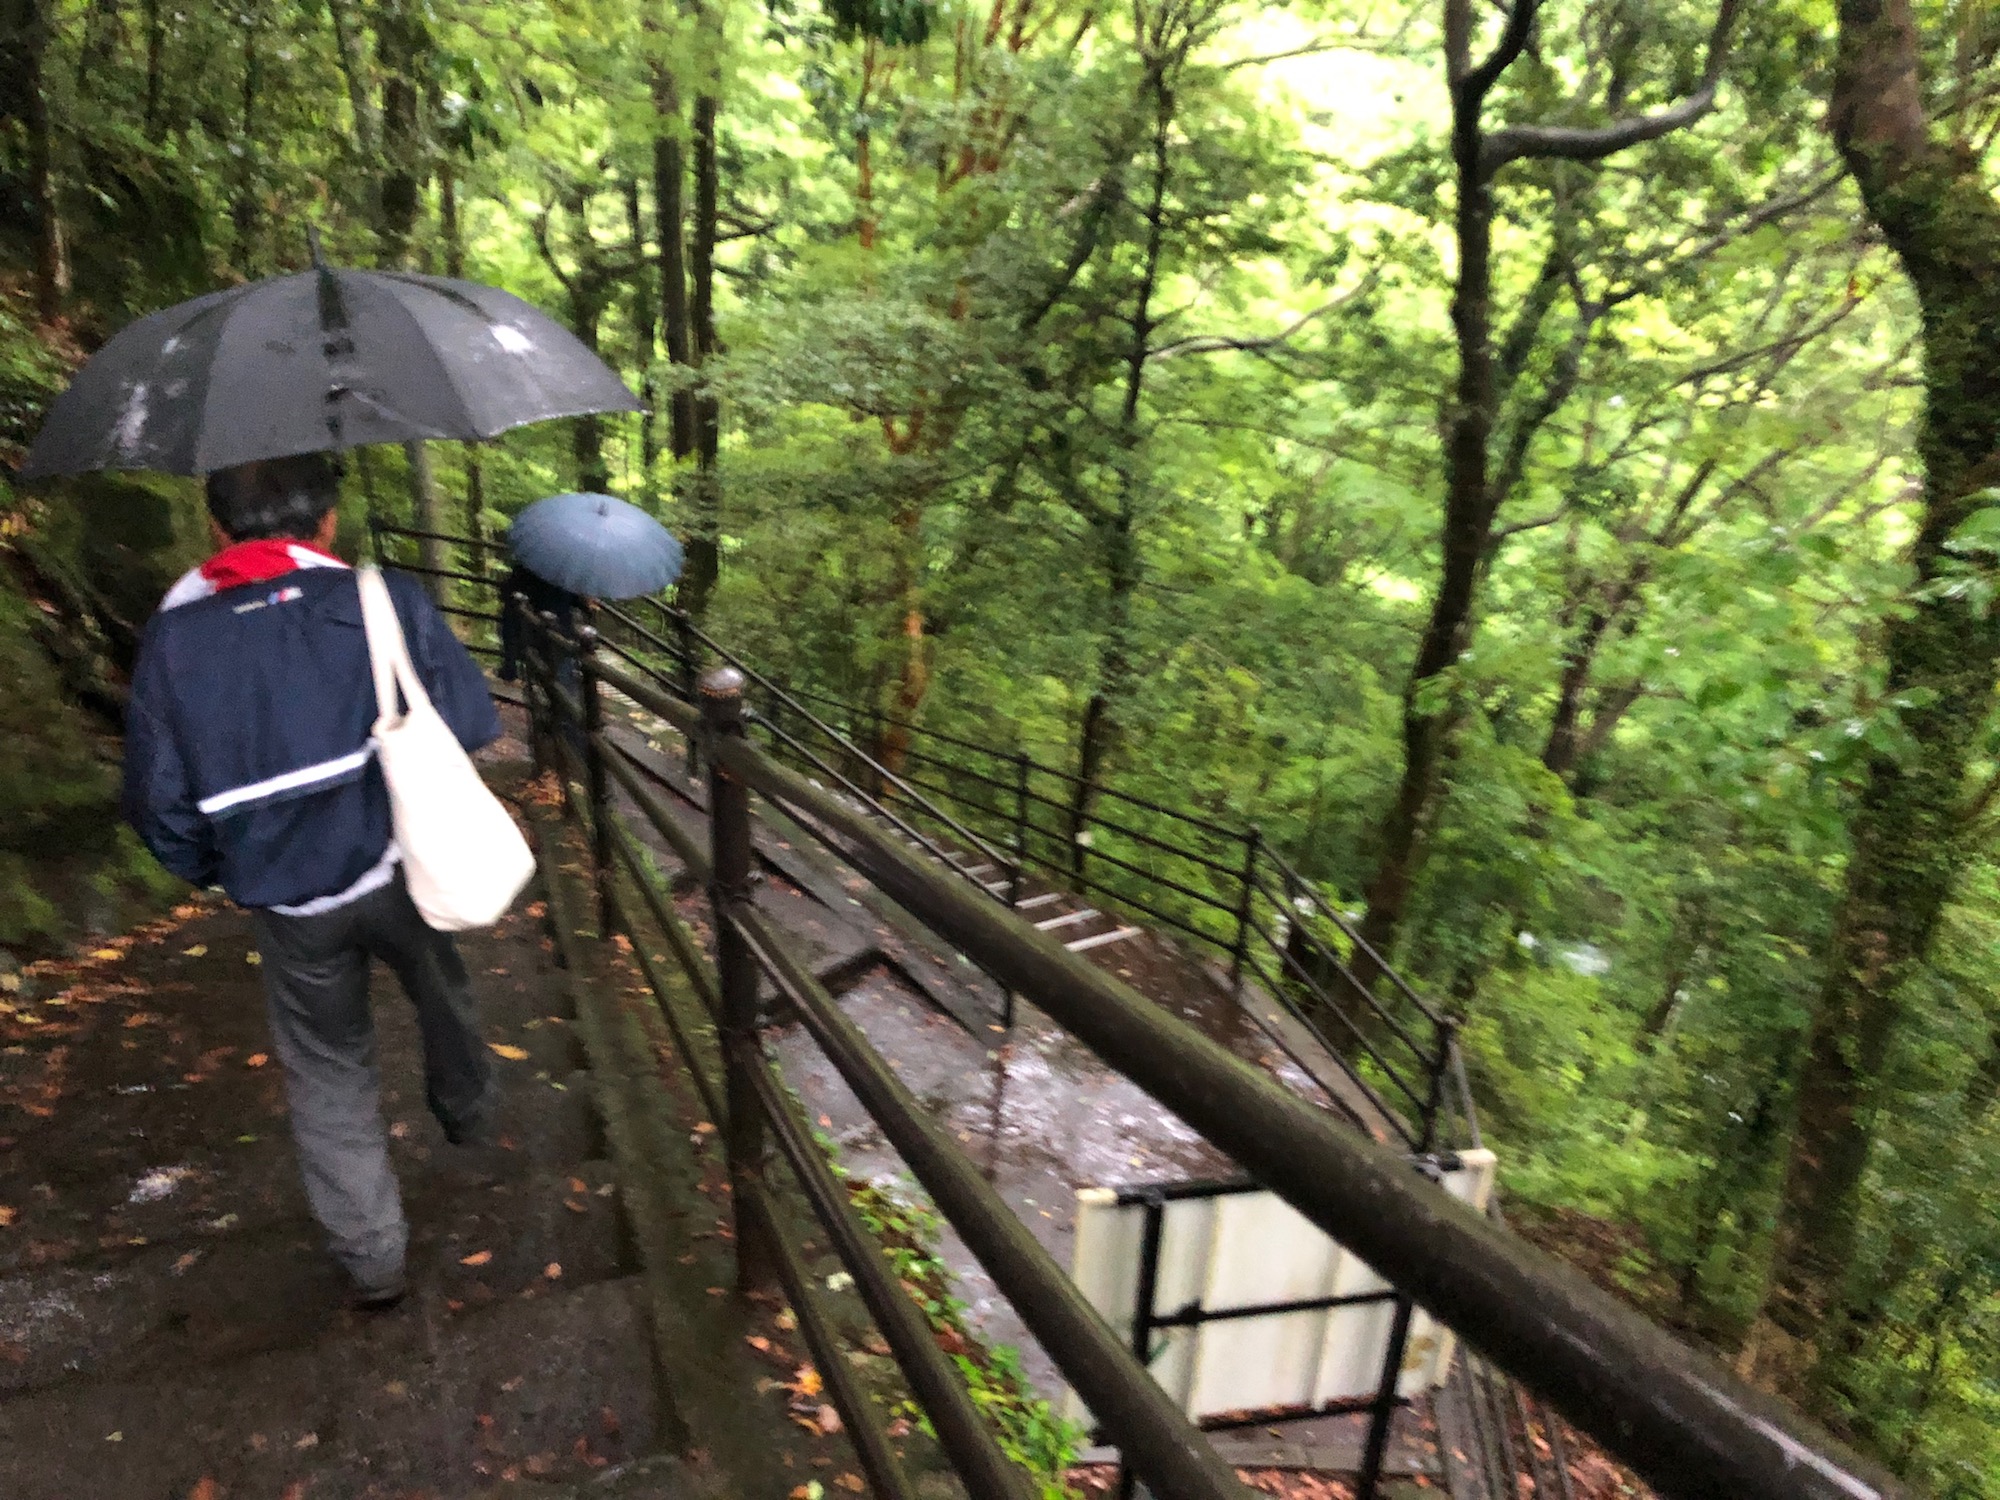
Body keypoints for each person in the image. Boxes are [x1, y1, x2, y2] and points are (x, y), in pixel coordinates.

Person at [123, 452, 504, 1310]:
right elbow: (472, 723)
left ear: (216, 527)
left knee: (328, 1070)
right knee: (442, 989)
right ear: (326, 521)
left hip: (290, 904)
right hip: (403, 865)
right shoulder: (380, 600)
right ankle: (470, 1111)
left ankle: (374, 1259)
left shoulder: (175, 641)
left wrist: (224, 869)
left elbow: (157, 803)